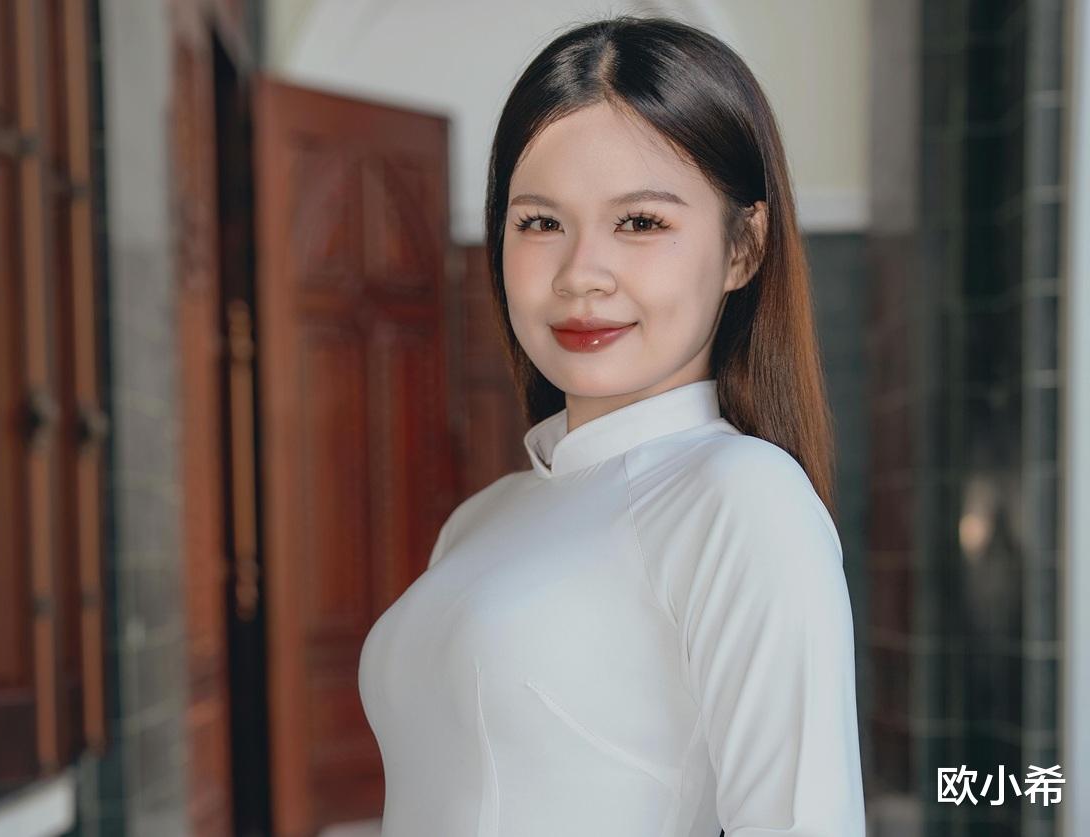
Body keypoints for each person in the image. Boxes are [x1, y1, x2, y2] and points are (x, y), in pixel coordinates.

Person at [358, 14, 865, 837]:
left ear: (744, 247)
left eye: (640, 223)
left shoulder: (744, 500)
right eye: (540, 222)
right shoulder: (480, 520)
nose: (580, 275)